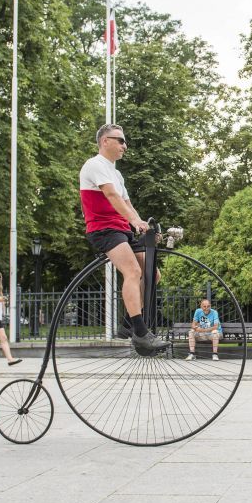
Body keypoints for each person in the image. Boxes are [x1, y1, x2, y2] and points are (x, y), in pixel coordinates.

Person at [80, 124, 168, 355]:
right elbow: (110, 195)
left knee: (152, 273)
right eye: (119, 140)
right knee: (133, 272)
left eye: (124, 141)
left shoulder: (116, 173)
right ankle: (141, 333)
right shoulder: (95, 164)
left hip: (122, 230)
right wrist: (135, 221)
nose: (124, 146)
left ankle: (128, 324)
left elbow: (127, 204)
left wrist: (144, 227)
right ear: (104, 141)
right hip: (104, 229)